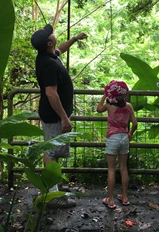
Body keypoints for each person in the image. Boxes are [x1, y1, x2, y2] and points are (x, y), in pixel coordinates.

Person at [31, 23, 87, 207]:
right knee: (51, 152)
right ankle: (52, 196)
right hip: (53, 115)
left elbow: (60, 49)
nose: (53, 34)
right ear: (48, 43)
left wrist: (75, 39)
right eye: (51, 35)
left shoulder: (48, 55)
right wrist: (64, 117)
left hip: (54, 114)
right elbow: (51, 93)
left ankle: (53, 189)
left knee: (54, 151)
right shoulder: (48, 65)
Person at [96, 80, 138, 209]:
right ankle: (124, 197)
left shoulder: (109, 106)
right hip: (124, 137)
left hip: (112, 138)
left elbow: (98, 109)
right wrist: (130, 133)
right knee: (123, 168)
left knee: (111, 169)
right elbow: (135, 124)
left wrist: (104, 95)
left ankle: (110, 199)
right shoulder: (129, 106)